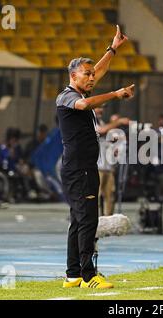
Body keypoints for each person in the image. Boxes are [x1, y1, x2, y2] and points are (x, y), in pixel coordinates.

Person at [56, 25, 134, 290]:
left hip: (82, 167)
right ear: (73, 75)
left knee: (78, 220)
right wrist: (115, 94)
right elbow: (84, 104)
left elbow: (99, 71)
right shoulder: (68, 96)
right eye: (86, 75)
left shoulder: (79, 90)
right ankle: (89, 275)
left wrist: (113, 48)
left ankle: (73, 274)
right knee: (88, 220)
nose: (92, 78)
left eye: (91, 74)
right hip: (80, 169)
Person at [95, 109, 130, 216]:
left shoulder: (104, 124)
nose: (101, 110)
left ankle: (108, 220)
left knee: (110, 196)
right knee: (95, 197)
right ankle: (93, 222)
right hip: (97, 168)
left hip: (108, 168)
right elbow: (101, 131)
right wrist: (118, 122)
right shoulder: (91, 122)